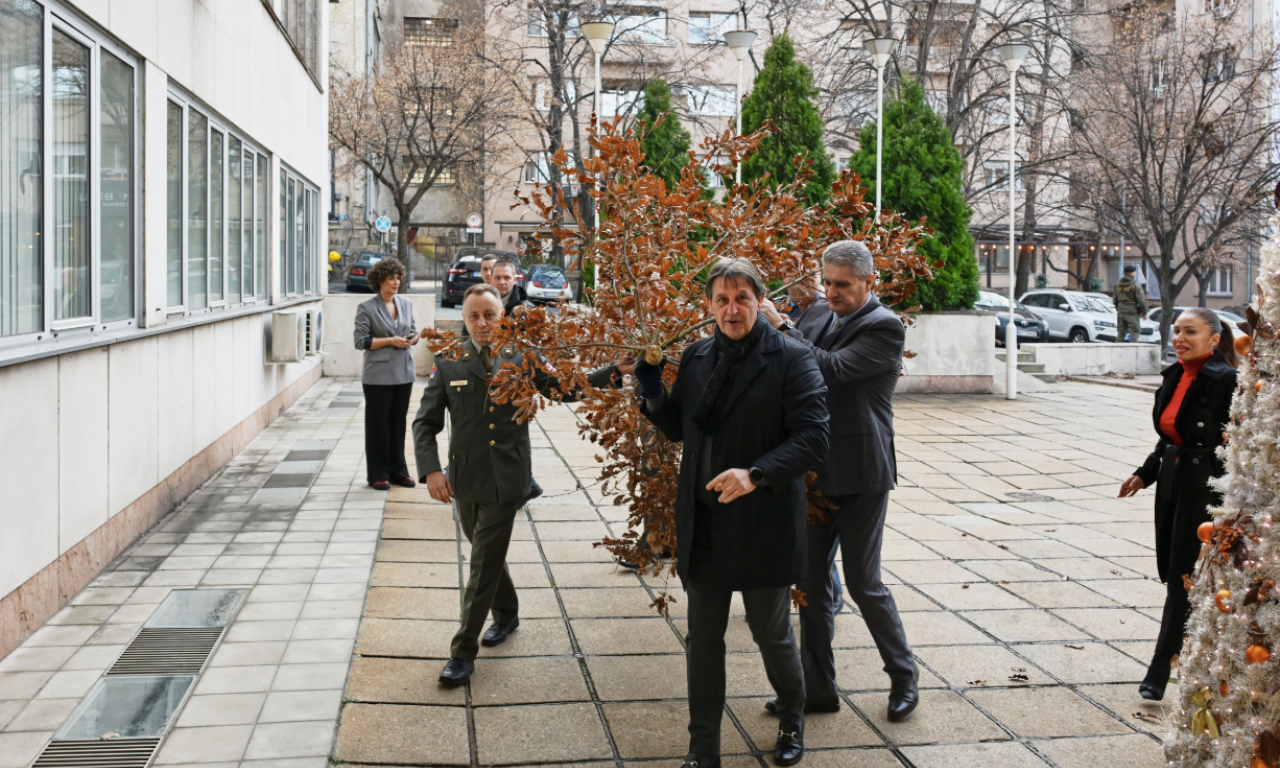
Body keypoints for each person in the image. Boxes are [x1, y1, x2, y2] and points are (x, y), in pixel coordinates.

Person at [634, 258, 830, 768]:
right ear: (709, 305)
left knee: (771, 633)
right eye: (722, 300)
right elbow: (680, 428)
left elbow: (814, 437)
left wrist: (756, 473)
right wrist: (651, 391)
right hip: (704, 523)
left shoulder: (791, 358)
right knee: (703, 640)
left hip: (763, 523)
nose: (732, 309)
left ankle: (791, 718)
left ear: (760, 301)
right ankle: (703, 747)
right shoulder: (698, 356)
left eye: (742, 298)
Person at [414, 283, 628, 685]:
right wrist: (431, 470)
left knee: (481, 565)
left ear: (502, 317)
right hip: (465, 479)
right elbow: (425, 423)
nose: (482, 323)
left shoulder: (523, 356)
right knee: (487, 555)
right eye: (474, 316)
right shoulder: (449, 361)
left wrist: (614, 372)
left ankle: (462, 652)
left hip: (507, 477)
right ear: (464, 318)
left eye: (489, 315)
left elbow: (564, 388)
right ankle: (508, 614)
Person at [760, 240, 918, 722]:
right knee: (809, 586)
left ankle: (904, 677)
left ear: (869, 282)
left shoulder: (885, 326)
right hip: (813, 472)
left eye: (843, 285)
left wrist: (781, 326)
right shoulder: (815, 315)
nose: (831, 292)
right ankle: (818, 690)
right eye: (827, 282)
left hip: (862, 472)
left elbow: (828, 368)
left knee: (864, 584)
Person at [1119, 307, 1239, 701]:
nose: (1179, 339)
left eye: (1190, 332)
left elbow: (1236, 440)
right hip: (1173, 482)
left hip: (1205, 490)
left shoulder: (1226, 381)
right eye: (1176, 331)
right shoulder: (1175, 375)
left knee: (1181, 579)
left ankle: (1159, 670)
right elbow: (1169, 436)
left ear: (1214, 339)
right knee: (1174, 571)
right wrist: (1144, 474)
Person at [353, 257, 419, 491]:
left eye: (398, 278)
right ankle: (378, 474)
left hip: (404, 373)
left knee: (398, 425)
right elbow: (360, 341)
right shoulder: (367, 307)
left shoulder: (406, 303)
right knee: (378, 426)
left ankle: (398, 471)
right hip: (378, 376)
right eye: (391, 278)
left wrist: (412, 339)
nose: (396, 282)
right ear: (379, 280)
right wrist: (390, 341)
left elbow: (414, 331)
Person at [1114, 264, 1147, 342]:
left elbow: (1115, 299)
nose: (1135, 273)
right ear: (1132, 273)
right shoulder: (1135, 285)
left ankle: (1116, 347)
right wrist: (1144, 313)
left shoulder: (1118, 284)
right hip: (1132, 311)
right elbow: (1141, 301)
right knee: (1135, 331)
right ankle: (1133, 348)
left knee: (1121, 332)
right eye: (1135, 272)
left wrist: (1119, 308)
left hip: (1121, 310)